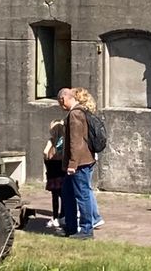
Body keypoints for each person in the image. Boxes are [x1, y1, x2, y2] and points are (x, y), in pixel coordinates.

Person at [59, 87, 97, 239]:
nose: (61, 106)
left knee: (82, 195)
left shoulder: (75, 114)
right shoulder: (81, 112)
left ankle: (87, 230)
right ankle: (70, 227)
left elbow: (76, 141)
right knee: (67, 194)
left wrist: (72, 164)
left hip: (79, 163)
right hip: (80, 161)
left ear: (64, 99)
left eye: (60, 103)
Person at [74, 87, 105, 230]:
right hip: (92, 155)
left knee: (84, 190)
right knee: (87, 188)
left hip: (85, 156)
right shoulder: (90, 114)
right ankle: (94, 217)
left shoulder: (80, 115)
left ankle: (92, 218)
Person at [42, 118, 67, 228]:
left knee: (55, 196)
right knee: (64, 195)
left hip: (53, 169)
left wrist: (47, 163)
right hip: (62, 169)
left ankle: (55, 216)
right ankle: (63, 216)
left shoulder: (52, 140)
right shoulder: (65, 140)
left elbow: (45, 152)